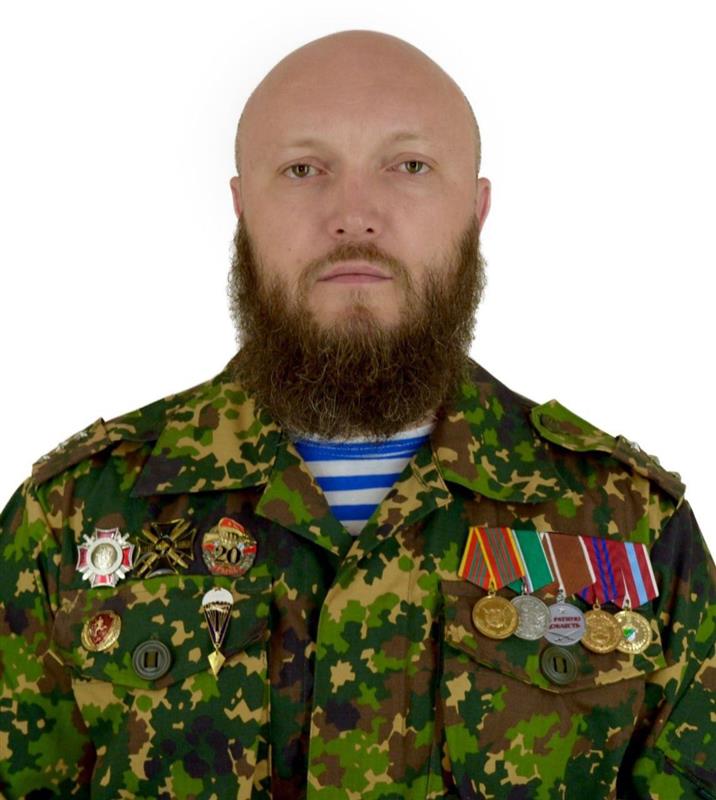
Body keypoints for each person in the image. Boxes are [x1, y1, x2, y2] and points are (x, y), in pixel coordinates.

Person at [0, 28, 713, 800]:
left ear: (475, 209)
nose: (354, 215)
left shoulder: (630, 521)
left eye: (409, 166)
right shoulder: (75, 515)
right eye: (303, 169)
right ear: (242, 207)